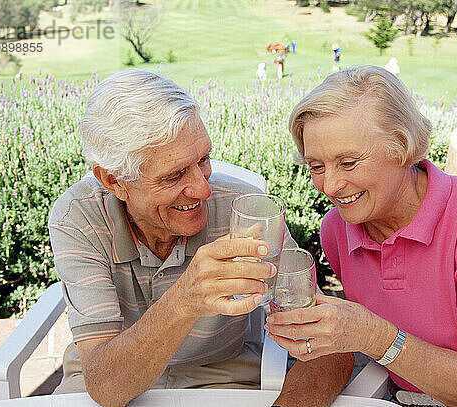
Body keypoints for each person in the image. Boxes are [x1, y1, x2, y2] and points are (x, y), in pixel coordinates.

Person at [265, 65, 457, 406]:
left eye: (348, 162)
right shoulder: (337, 229)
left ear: (402, 147)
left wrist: (372, 335)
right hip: (413, 396)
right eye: (316, 167)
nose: (330, 186)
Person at [48, 68, 351, 406]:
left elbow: (330, 349)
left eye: (204, 159)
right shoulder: (78, 218)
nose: (203, 189)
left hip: (221, 376)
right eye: (174, 175)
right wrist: (184, 301)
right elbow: (107, 388)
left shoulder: (244, 212)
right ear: (114, 181)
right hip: (109, 376)